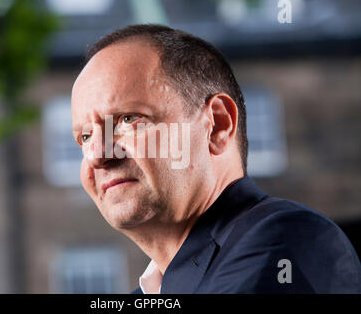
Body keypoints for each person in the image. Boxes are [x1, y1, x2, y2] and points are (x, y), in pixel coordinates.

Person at [70, 24, 361, 293]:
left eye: (128, 119)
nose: (97, 155)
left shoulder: (288, 242)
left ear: (217, 125)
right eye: (85, 137)